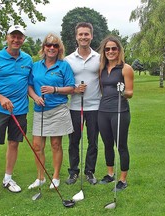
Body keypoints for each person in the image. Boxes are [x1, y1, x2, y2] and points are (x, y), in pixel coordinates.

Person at [0, 25, 33, 204]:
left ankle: (8, 179)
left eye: (20, 37)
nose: (16, 40)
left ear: (23, 39)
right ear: (7, 37)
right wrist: (1, 98)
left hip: (20, 110)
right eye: (13, 36)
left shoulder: (28, 59)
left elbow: (29, 84)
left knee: (13, 144)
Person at [28, 33, 75, 189]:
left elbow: (71, 88)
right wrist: (35, 97)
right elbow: (29, 86)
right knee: (37, 145)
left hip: (58, 109)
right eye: (49, 45)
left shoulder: (64, 66)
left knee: (55, 144)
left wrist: (54, 89)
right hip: (39, 110)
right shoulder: (35, 66)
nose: (52, 48)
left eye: (55, 45)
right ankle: (40, 177)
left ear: (59, 49)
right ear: (44, 47)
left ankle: (55, 177)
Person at [64, 22, 101, 185]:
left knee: (93, 141)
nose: (84, 37)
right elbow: (65, 84)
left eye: (87, 34)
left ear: (91, 36)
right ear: (76, 37)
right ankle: (73, 172)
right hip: (75, 107)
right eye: (81, 34)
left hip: (95, 107)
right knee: (74, 141)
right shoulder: (68, 60)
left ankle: (90, 171)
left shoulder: (100, 58)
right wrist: (74, 89)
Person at [98, 36, 134, 191]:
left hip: (120, 111)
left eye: (114, 48)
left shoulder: (126, 68)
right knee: (107, 144)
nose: (110, 51)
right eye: (107, 49)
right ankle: (110, 174)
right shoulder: (102, 69)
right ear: (104, 51)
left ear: (119, 50)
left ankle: (123, 179)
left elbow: (130, 93)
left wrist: (123, 91)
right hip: (103, 111)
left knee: (121, 145)